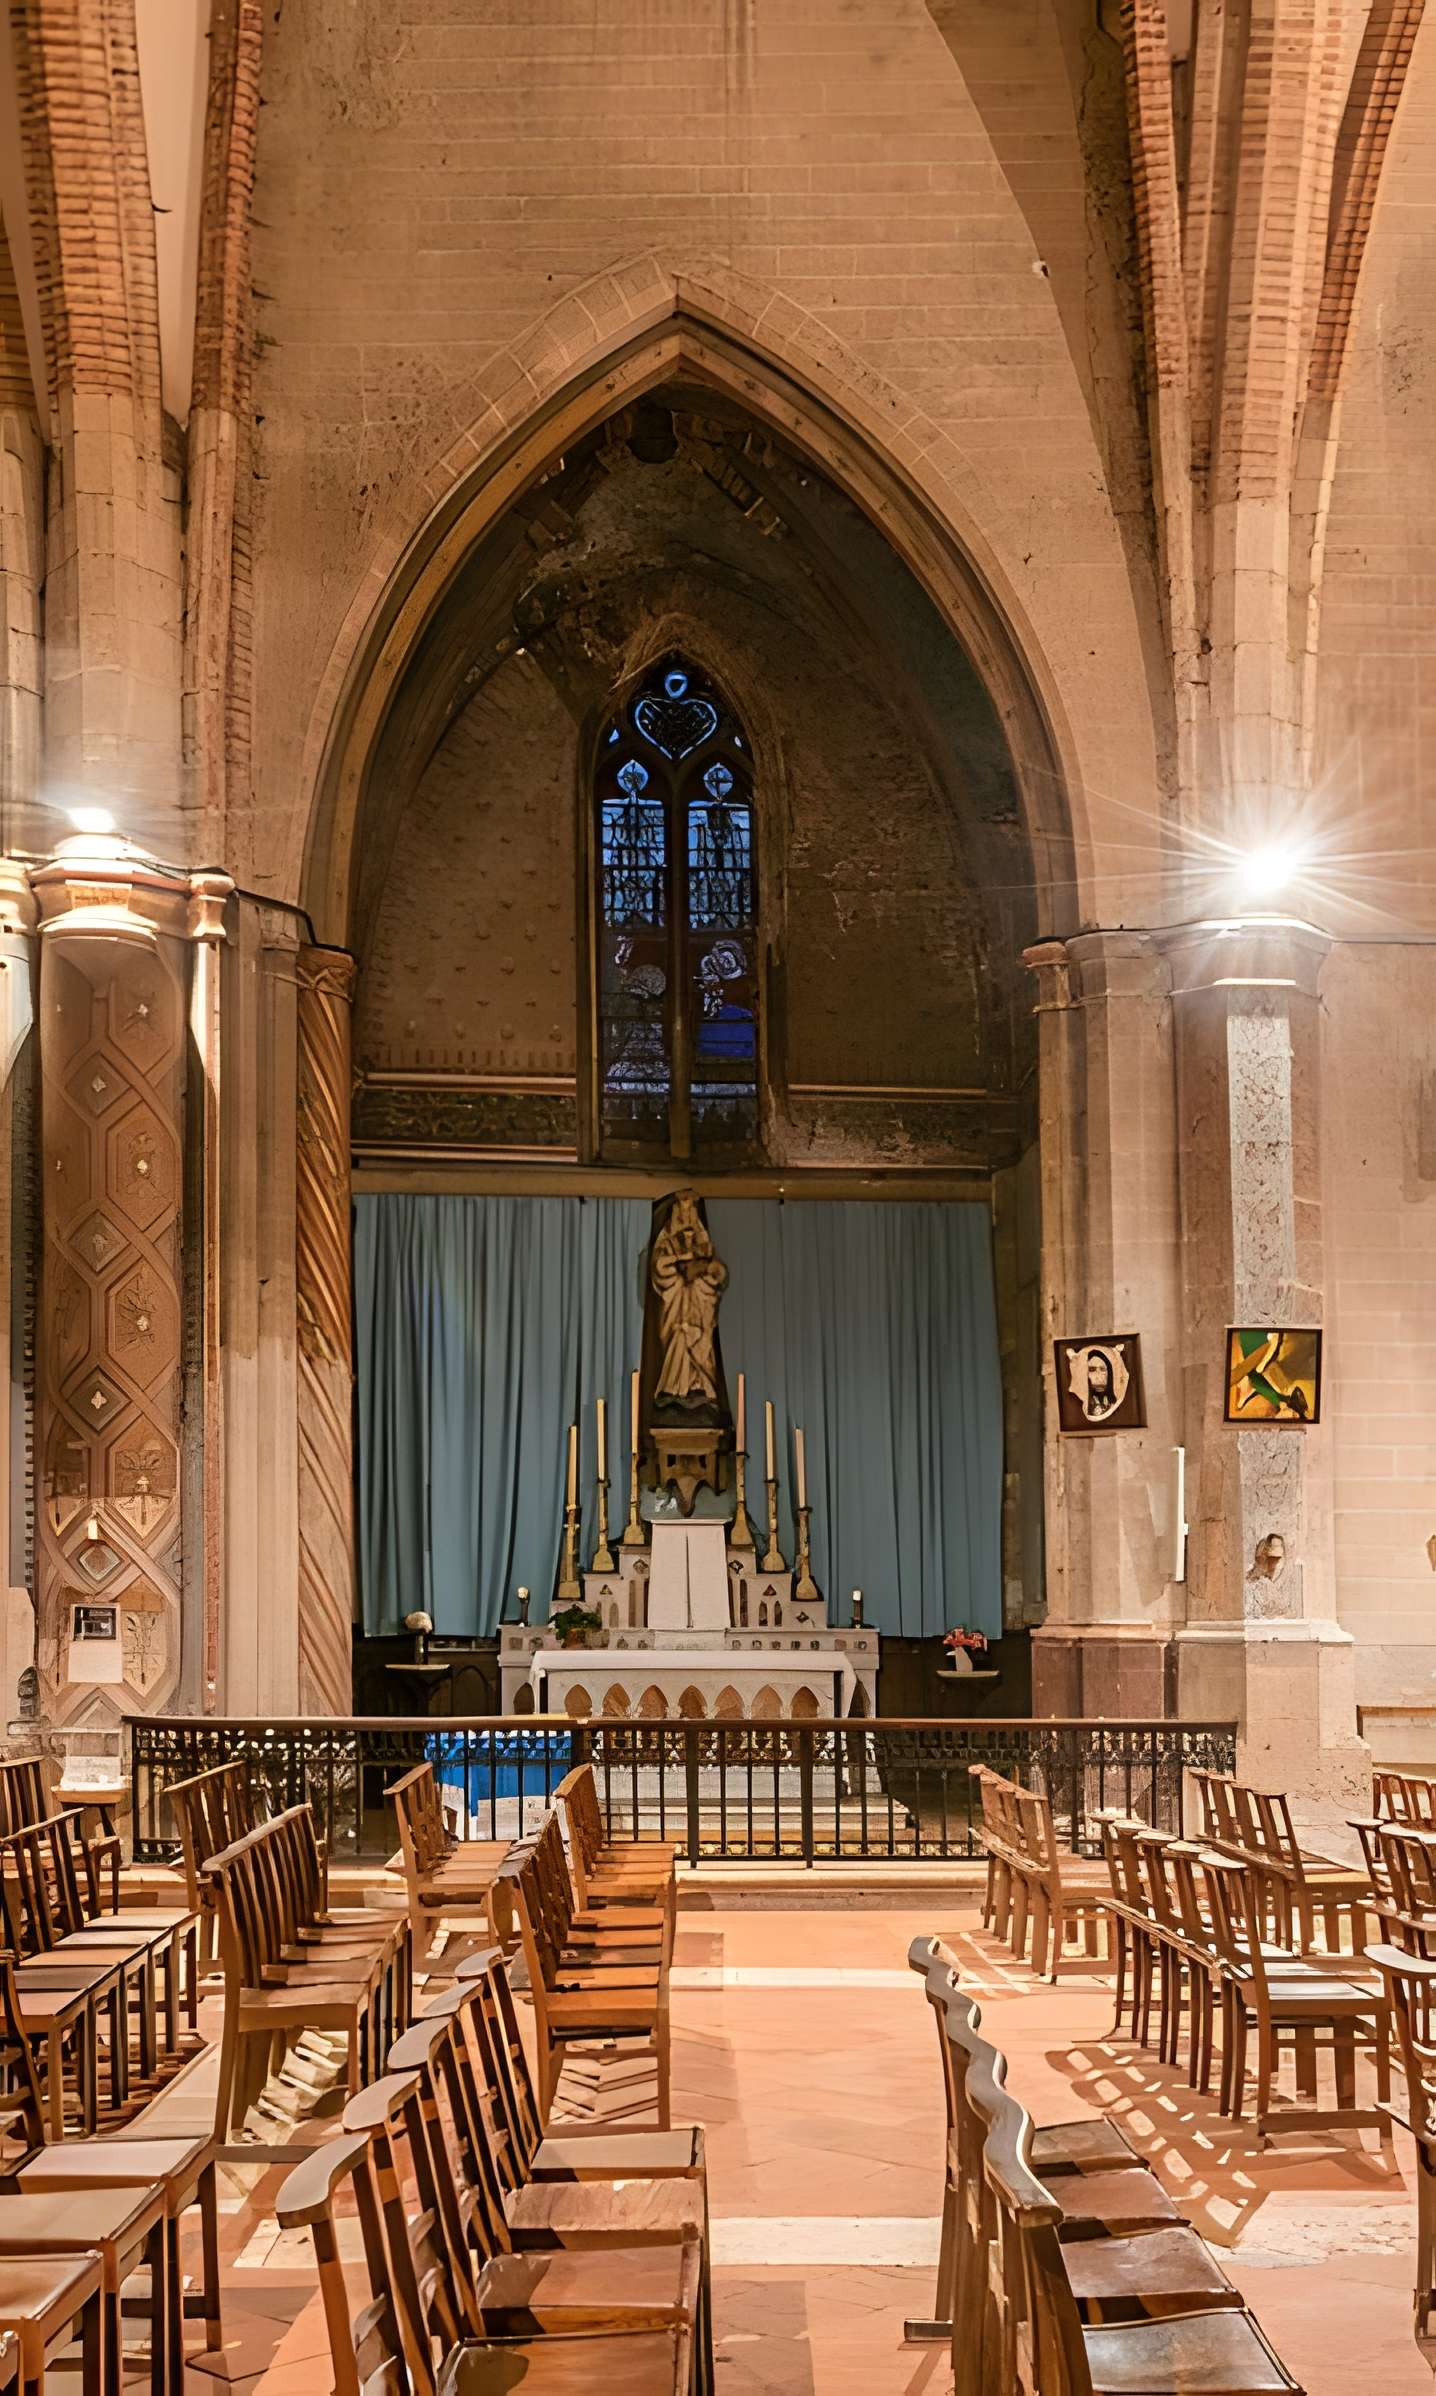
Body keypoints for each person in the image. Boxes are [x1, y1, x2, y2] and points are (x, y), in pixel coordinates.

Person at [651, 1190, 727, 1409]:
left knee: (698, 1338)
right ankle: (674, 1388)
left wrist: (702, 1271)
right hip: (674, 1300)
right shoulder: (668, 1244)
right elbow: (660, 1269)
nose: (686, 1218)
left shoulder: (704, 1246)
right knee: (677, 1334)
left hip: (698, 1305)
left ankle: (698, 1385)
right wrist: (681, 1265)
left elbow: (715, 1274)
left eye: (690, 1212)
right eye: (682, 1212)